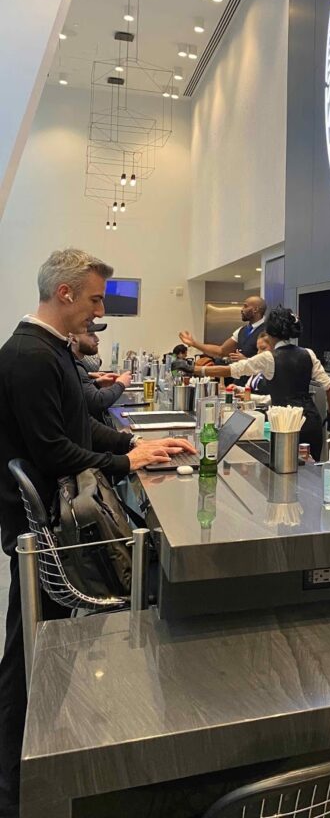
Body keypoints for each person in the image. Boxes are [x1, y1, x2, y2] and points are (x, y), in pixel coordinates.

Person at [0, 248, 194, 817]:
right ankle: (15, 783)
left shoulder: (45, 352)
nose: (98, 310)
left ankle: (35, 755)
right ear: (64, 295)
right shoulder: (31, 357)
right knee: (26, 650)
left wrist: (132, 447)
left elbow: (79, 424)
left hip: (45, 525)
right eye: (93, 299)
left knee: (33, 643)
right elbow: (54, 450)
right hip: (41, 532)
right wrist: (127, 463)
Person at [195, 307, 330, 461]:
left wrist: (196, 369)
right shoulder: (308, 353)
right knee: (312, 474)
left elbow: (231, 370)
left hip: (284, 425)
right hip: (310, 422)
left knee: (285, 473)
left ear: (269, 333)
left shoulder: (269, 357)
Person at [179, 295, 266, 384]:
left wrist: (246, 360)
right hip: (240, 383)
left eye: (245, 306)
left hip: (258, 385)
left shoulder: (268, 331)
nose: (242, 309)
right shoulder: (241, 330)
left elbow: (270, 363)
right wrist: (194, 343)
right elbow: (221, 351)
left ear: (255, 309)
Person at [72, 321, 132, 427]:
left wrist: (96, 383)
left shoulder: (73, 364)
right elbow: (97, 402)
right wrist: (121, 384)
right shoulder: (75, 366)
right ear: (73, 338)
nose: (97, 339)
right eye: (91, 335)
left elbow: (81, 394)